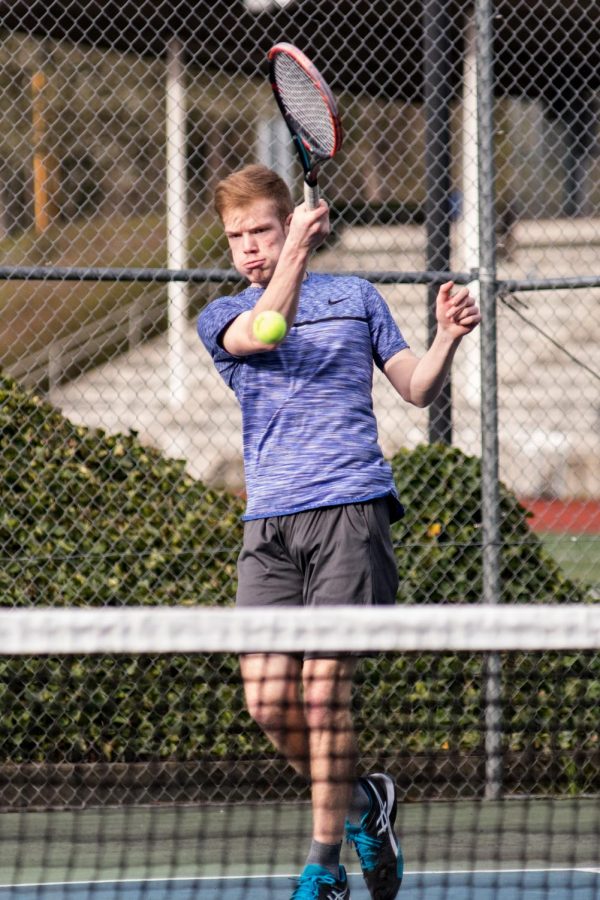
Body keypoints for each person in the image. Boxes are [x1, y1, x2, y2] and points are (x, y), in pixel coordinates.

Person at [197, 164, 481, 900]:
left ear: (288, 218)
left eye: (263, 229)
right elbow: (267, 328)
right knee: (267, 702)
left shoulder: (356, 298)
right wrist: (291, 253)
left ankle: (323, 865)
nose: (251, 248)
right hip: (269, 528)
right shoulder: (220, 313)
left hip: (351, 512)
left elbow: (415, 388)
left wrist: (447, 338)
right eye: (238, 237)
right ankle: (366, 804)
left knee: (323, 696)